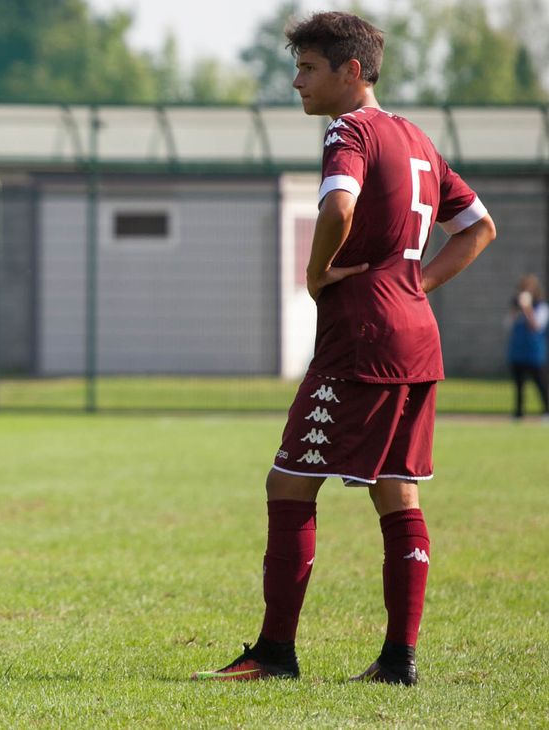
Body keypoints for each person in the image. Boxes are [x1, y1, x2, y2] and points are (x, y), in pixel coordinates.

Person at [191, 11, 496, 685]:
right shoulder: (418, 140)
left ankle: (275, 654)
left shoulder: (349, 130)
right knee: (397, 492)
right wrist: (416, 284)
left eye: (308, 68)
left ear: (351, 71)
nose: (297, 82)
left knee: (289, 482)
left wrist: (315, 273)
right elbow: (479, 227)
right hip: (416, 337)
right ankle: (398, 661)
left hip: (361, 340)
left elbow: (338, 207)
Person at [506, 274, 549, 419]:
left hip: (534, 353)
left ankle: (546, 410)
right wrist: (516, 310)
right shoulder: (516, 308)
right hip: (517, 352)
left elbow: (536, 327)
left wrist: (528, 309)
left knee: (541, 383)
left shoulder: (541, 307)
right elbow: (508, 325)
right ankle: (519, 413)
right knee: (519, 385)